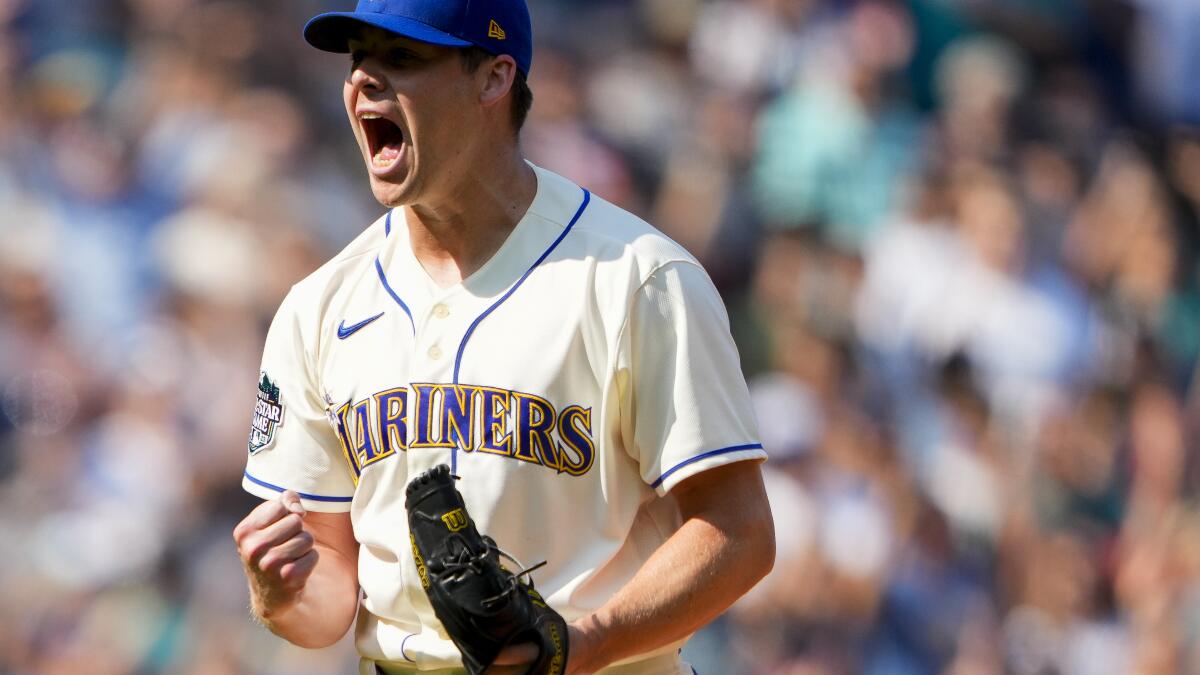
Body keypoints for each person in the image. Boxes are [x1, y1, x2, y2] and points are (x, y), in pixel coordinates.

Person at [232, 0, 775, 672]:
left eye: (402, 56)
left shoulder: (636, 277)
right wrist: (275, 590)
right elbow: (327, 606)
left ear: (493, 77)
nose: (365, 78)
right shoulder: (318, 306)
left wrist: (589, 642)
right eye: (357, 57)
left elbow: (740, 532)